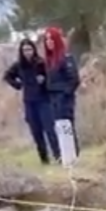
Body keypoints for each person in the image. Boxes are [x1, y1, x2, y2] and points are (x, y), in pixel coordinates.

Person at [4, 39, 62, 165]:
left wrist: (44, 80)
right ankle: (44, 159)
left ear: (34, 49)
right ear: (21, 51)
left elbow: (52, 78)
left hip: (44, 101)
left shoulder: (41, 63)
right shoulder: (19, 65)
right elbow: (7, 76)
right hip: (29, 102)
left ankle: (58, 156)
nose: (27, 52)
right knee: (36, 132)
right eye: (25, 50)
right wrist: (18, 84)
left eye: (29, 49)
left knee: (50, 129)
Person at [43, 27, 81, 165]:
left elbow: (74, 80)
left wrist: (65, 95)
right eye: (46, 39)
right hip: (52, 99)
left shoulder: (65, 58)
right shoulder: (48, 61)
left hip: (64, 99)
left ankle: (72, 156)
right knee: (58, 127)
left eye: (51, 39)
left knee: (67, 126)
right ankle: (65, 157)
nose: (49, 42)